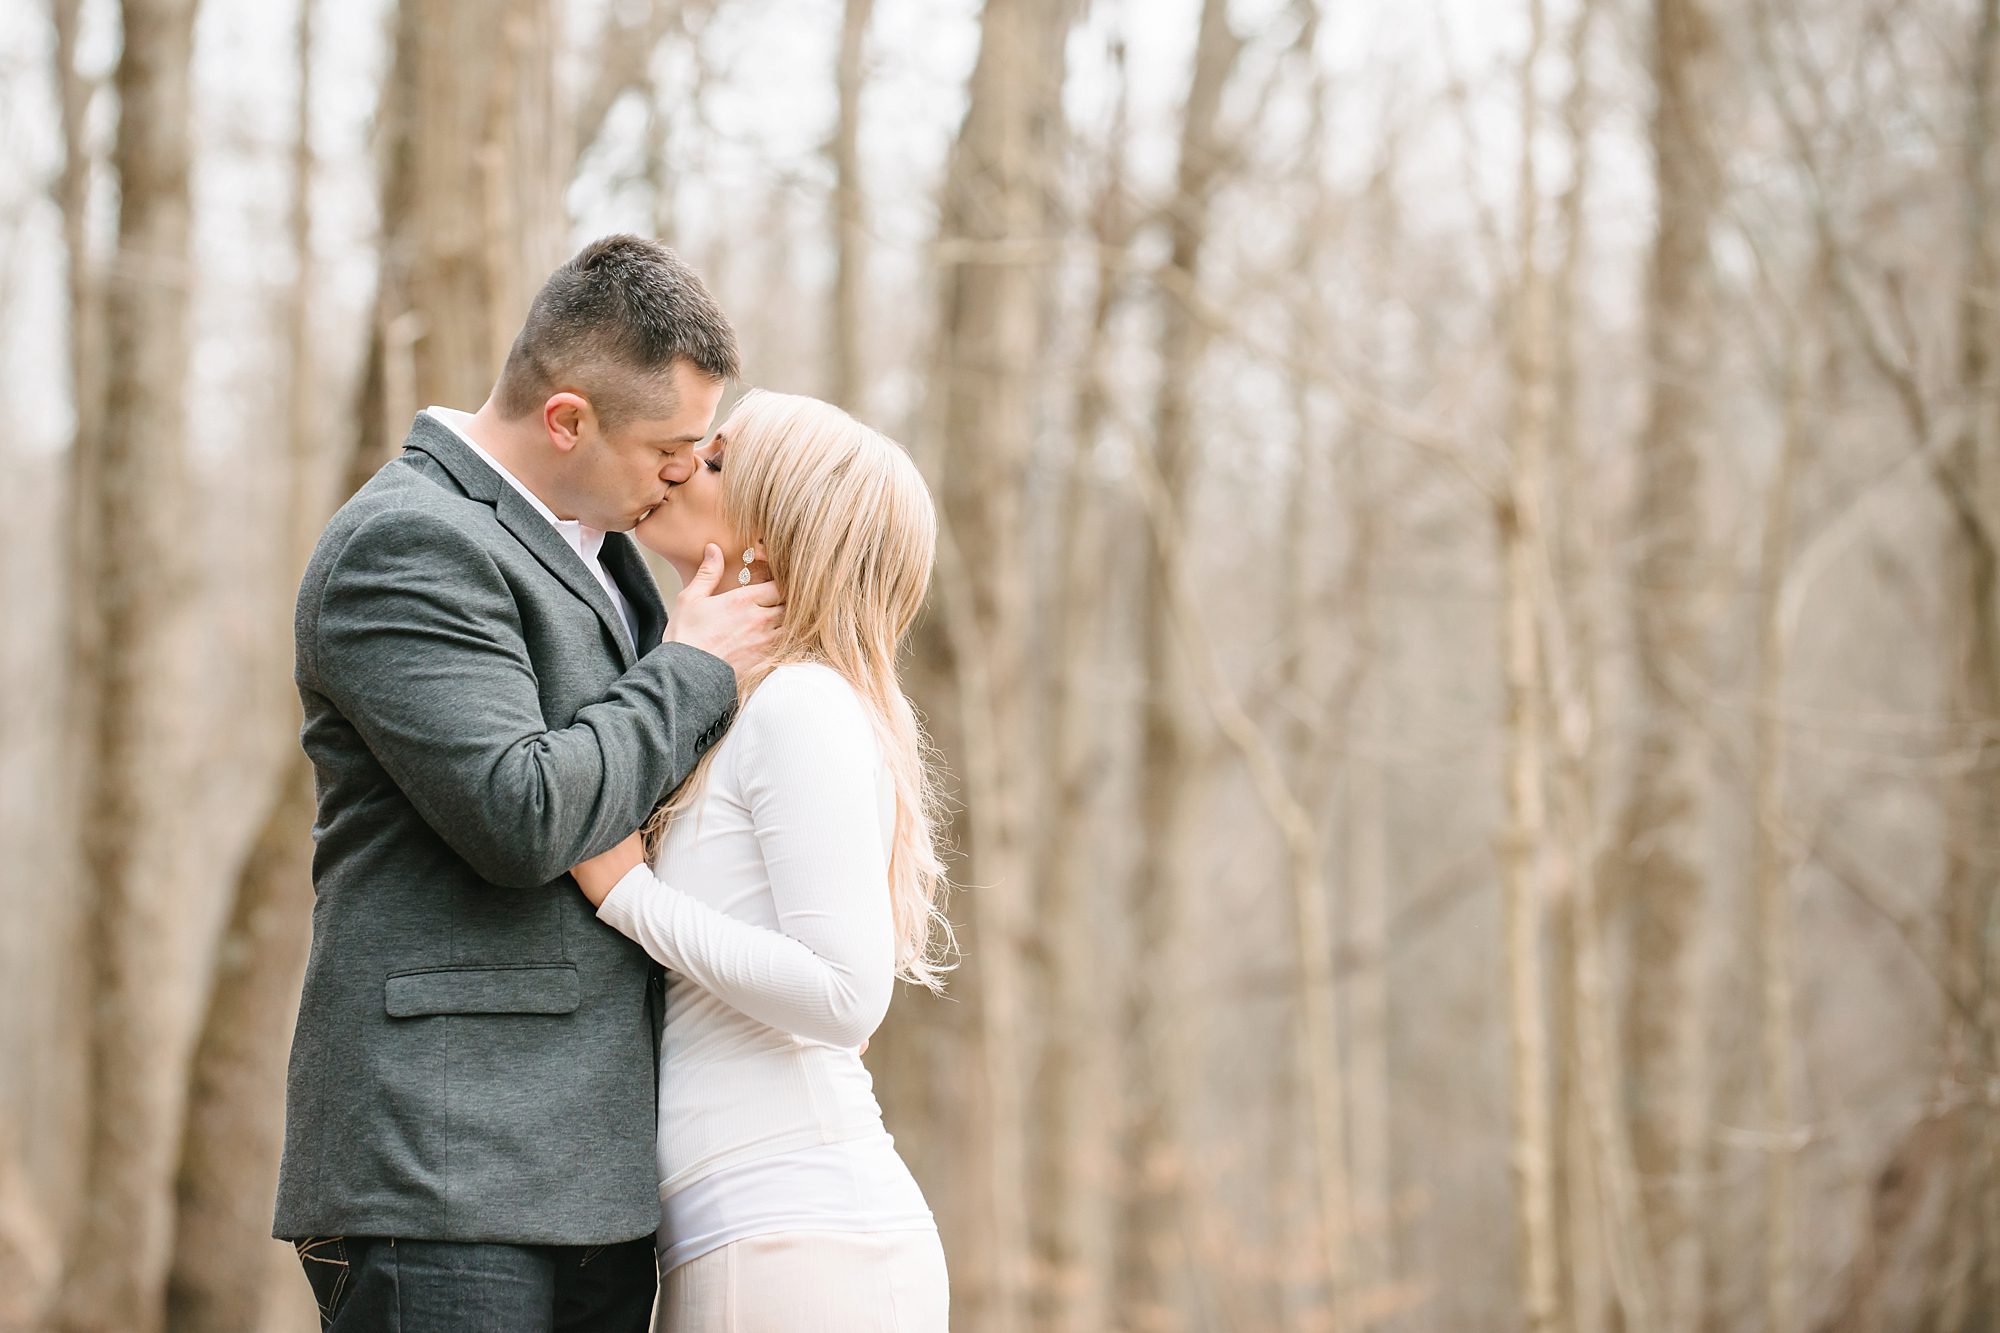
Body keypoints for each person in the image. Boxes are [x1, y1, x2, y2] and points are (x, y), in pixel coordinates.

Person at [274, 235, 781, 1331]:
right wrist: (691, 668)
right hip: (442, 1167)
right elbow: (521, 812)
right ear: (566, 420)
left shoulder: (604, 553)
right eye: (668, 449)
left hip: (593, 1174)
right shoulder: (406, 542)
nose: (682, 474)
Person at [567, 389, 953, 1331]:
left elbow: (844, 994)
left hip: (798, 1233)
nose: (678, 464)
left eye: (715, 461)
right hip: (751, 1229)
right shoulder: (743, 712)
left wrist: (629, 893)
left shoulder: (801, 706)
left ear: (774, 539)